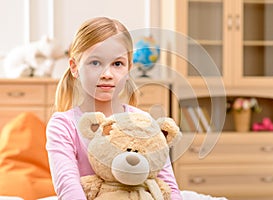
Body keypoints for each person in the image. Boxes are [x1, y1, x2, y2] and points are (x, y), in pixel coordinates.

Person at [46, 17, 183, 200]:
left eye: (117, 64)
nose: (107, 75)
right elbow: (68, 188)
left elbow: (170, 189)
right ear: (74, 67)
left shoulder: (144, 122)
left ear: (129, 68)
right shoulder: (63, 125)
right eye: (95, 63)